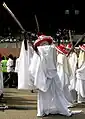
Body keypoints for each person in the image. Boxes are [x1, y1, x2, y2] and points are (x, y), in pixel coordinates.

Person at [28, 35, 73, 117]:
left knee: (58, 92)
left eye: (46, 44)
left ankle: (60, 108)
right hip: (43, 76)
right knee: (43, 95)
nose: (45, 46)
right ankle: (43, 109)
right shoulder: (38, 54)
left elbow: (53, 62)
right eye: (43, 44)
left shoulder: (51, 50)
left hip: (54, 75)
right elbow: (34, 68)